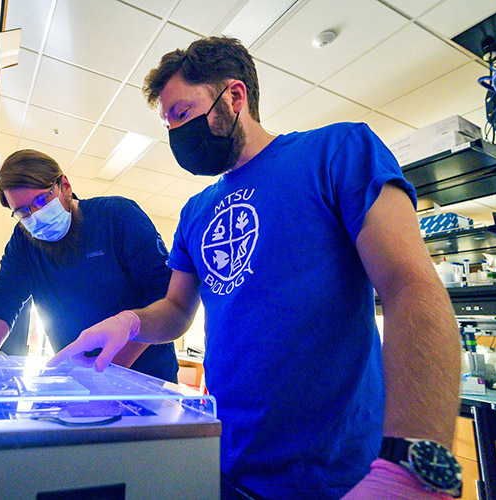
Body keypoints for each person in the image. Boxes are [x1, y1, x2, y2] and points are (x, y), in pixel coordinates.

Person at [48, 37, 462, 500]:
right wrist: (131, 323)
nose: (175, 133)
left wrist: (410, 466)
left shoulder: (337, 151)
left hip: (338, 476)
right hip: (228, 464)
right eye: (168, 123)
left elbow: (410, 286)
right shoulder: (195, 211)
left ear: (235, 97)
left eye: (182, 114)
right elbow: (177, 309)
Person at [0, 149, 178, 383]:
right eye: (22, 212)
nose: (35, 216)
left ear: (65, 186)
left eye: (42, 201)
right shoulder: (23, 241)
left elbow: (164, 293)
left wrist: (105, 371)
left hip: (144, 375)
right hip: (77, 376)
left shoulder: (117, 217)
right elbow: (4, 299)